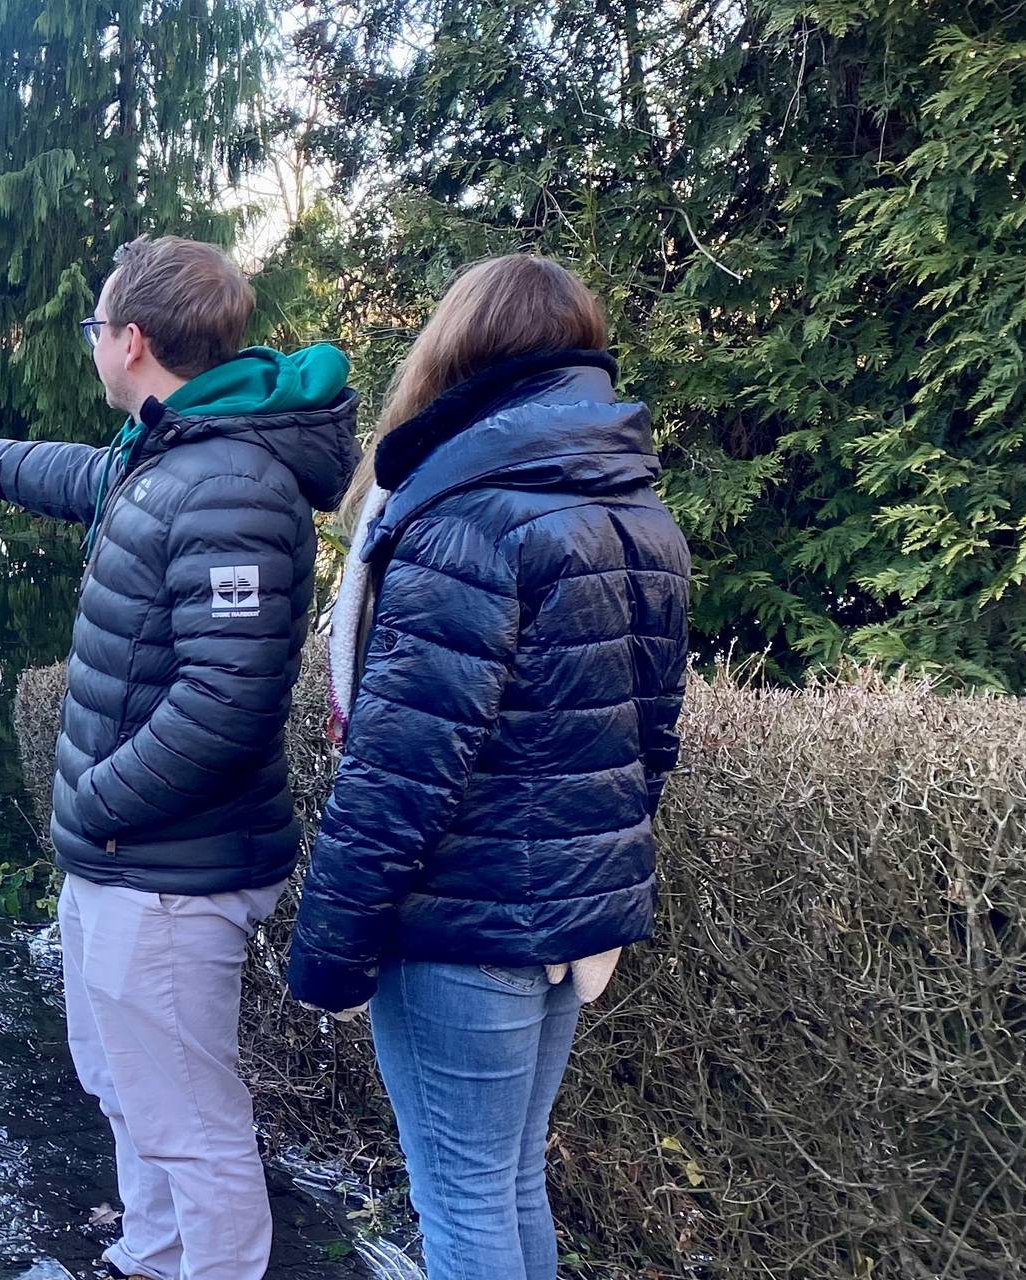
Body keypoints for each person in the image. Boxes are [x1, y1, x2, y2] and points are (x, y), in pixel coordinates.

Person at [0, 235, 356, 1280]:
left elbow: (224, 700)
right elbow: (80, 475)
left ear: (131, 339)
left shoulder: (229, 478)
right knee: (123, 1083)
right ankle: (148, 1258)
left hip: (164, 867)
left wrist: (97, 801)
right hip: (131, 856)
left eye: (95, 326)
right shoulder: (172, 450)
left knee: (190, 1119)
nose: (92, 343)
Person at [284, 255, 692, 1280]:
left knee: (461, 1195)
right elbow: (650, 738)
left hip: (456, 921)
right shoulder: (640, 515)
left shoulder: (461, 513)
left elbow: (395, 771)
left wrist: (327, 954)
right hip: (562, 920)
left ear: (454, 352)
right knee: (505, 1183)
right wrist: (587, 901)